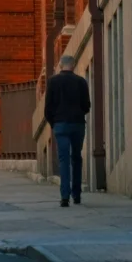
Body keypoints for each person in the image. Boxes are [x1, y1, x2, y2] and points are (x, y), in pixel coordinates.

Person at [44, 53, 91, 207]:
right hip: (77, 124)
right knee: (76, 158)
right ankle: (76, 195)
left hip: (60, 124)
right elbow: (86, 105)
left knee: (64, 160)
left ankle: (65, 196)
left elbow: (48, 107)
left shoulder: (53, 82)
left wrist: (53, 122)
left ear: (60, 65)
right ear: (73, 65)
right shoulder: (81, 82)